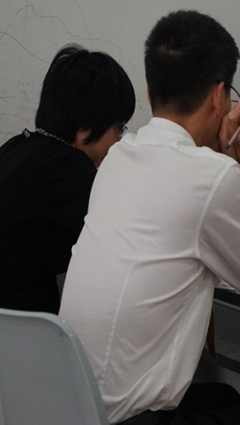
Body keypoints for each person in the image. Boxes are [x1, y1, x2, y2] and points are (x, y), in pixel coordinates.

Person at [59, 11, 240, 425]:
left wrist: (220, 160)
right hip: (131, 420)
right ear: (218, 96)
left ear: (149, 91)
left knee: (225, 396)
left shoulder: (118, 157)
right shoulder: (213, 176)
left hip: (76, 407)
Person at [0, 44, 135, 314]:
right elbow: (128, 245)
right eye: (119, 127)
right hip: (33, 330)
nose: (119, 140)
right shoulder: (71, 170)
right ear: (86, 122)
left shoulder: (15, 147)